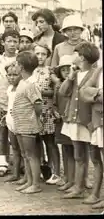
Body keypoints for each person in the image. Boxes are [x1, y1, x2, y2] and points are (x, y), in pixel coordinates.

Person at [59, 41, 101, 199]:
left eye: (75, 54)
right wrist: (70, 76)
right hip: (74, 120)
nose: (72, 57)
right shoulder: (74, 74)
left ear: (81, 57)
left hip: (89, 122)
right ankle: (78, 187)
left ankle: (94, 191)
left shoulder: (95, 73)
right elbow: (63, 92)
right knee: (78, 155)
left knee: (94, 157)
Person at [11, 50, 44, 194]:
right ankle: (29, 181)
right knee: (25, 154)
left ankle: (36, 184)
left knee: (31, 155)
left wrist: (35, 119)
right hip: (20, 124)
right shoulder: (23, 82)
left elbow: (37, 104)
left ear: (21, 66)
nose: (15, 66)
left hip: (28, 125)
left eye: (17, 64)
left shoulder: (31, 84)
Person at [0, 30, 20, 173]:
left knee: (18, 134)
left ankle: (19, 162)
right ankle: (3, 162)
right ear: (3, 42)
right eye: (9, 41)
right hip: (3, 103)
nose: (12, 44)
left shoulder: (21, 59)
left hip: (19, 104)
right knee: (2, 132)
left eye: (15, 41)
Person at [32, 44, 61, 185]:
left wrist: (39, 92)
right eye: (37, 54)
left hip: (47, 110)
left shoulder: (50, 71)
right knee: (36, 142)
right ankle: (44, 169)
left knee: (50, 142)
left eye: (43, 54)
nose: (40, 57)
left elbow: (56, 89)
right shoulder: (30, 71)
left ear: (47, 55)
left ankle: (56, 171)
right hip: (34, 111)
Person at [81, 65, 104, 209]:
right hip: (98, 122)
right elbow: (84, 90)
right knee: (99, 158)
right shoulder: (100, 70)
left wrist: (93, 94)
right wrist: (99, 92)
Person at [53, 55, 76, 191]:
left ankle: (75, 179)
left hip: (72, 121)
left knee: (75, 151)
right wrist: (55, 112)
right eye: (64, 70)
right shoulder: (58, 87)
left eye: (69, 69)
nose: (67, 72)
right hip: (61, 122)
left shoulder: (75, 86)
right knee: (65, 150)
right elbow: (55, 103)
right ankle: (67, 177)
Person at [3, 62, 23, 183]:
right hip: (10, 120)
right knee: (14, 148)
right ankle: (15, 173)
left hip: (20, 121)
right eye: (9, 75)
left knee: (24, 150)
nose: (11, 77)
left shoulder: (22, 88)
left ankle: (26, 175)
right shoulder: (10, 89)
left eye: (15, 75)